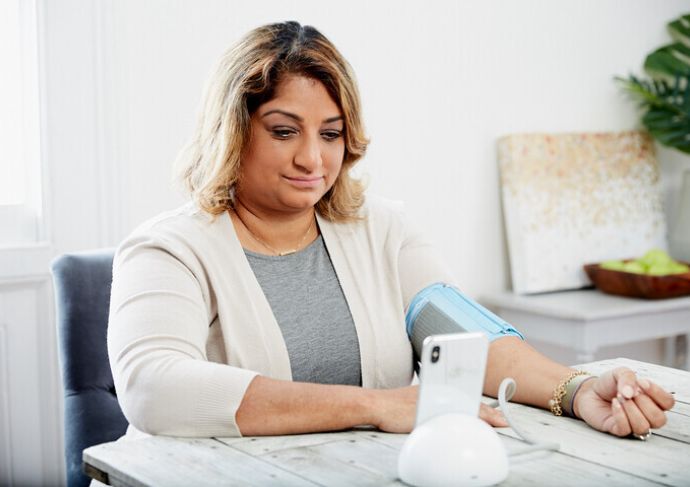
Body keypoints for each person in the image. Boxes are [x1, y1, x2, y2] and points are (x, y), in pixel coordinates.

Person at [108, 21, 674, 441]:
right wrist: (375, 404)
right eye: (284, 131)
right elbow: (154, 389)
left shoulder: (380, 228)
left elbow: (463, 339)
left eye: (330, 134)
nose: (312, 158)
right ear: (233, 131)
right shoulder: (167, 250)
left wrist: (574, 391)